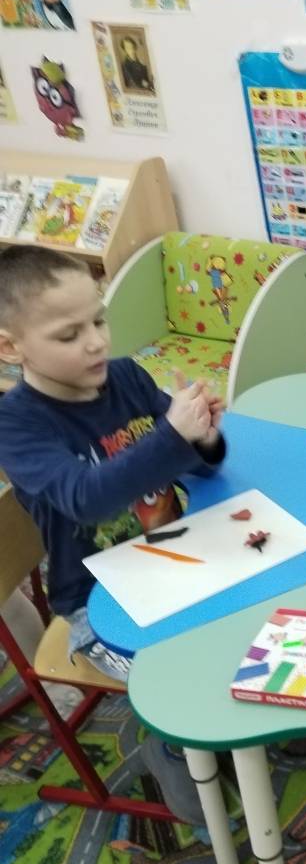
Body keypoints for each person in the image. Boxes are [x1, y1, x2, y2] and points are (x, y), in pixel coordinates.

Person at [0, 247, 226, 822]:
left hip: (179, 556)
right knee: (184, 678)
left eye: (98, 321)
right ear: (10, 348)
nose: (96, 343)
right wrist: (172, 436)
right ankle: (171, 747)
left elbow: (199, 467)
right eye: (69, 334)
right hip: (97, 603)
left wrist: (203, 436)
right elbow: (88, 497)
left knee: (259, 615)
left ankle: (221, 726)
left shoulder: (126, 377)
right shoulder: (16, 424)